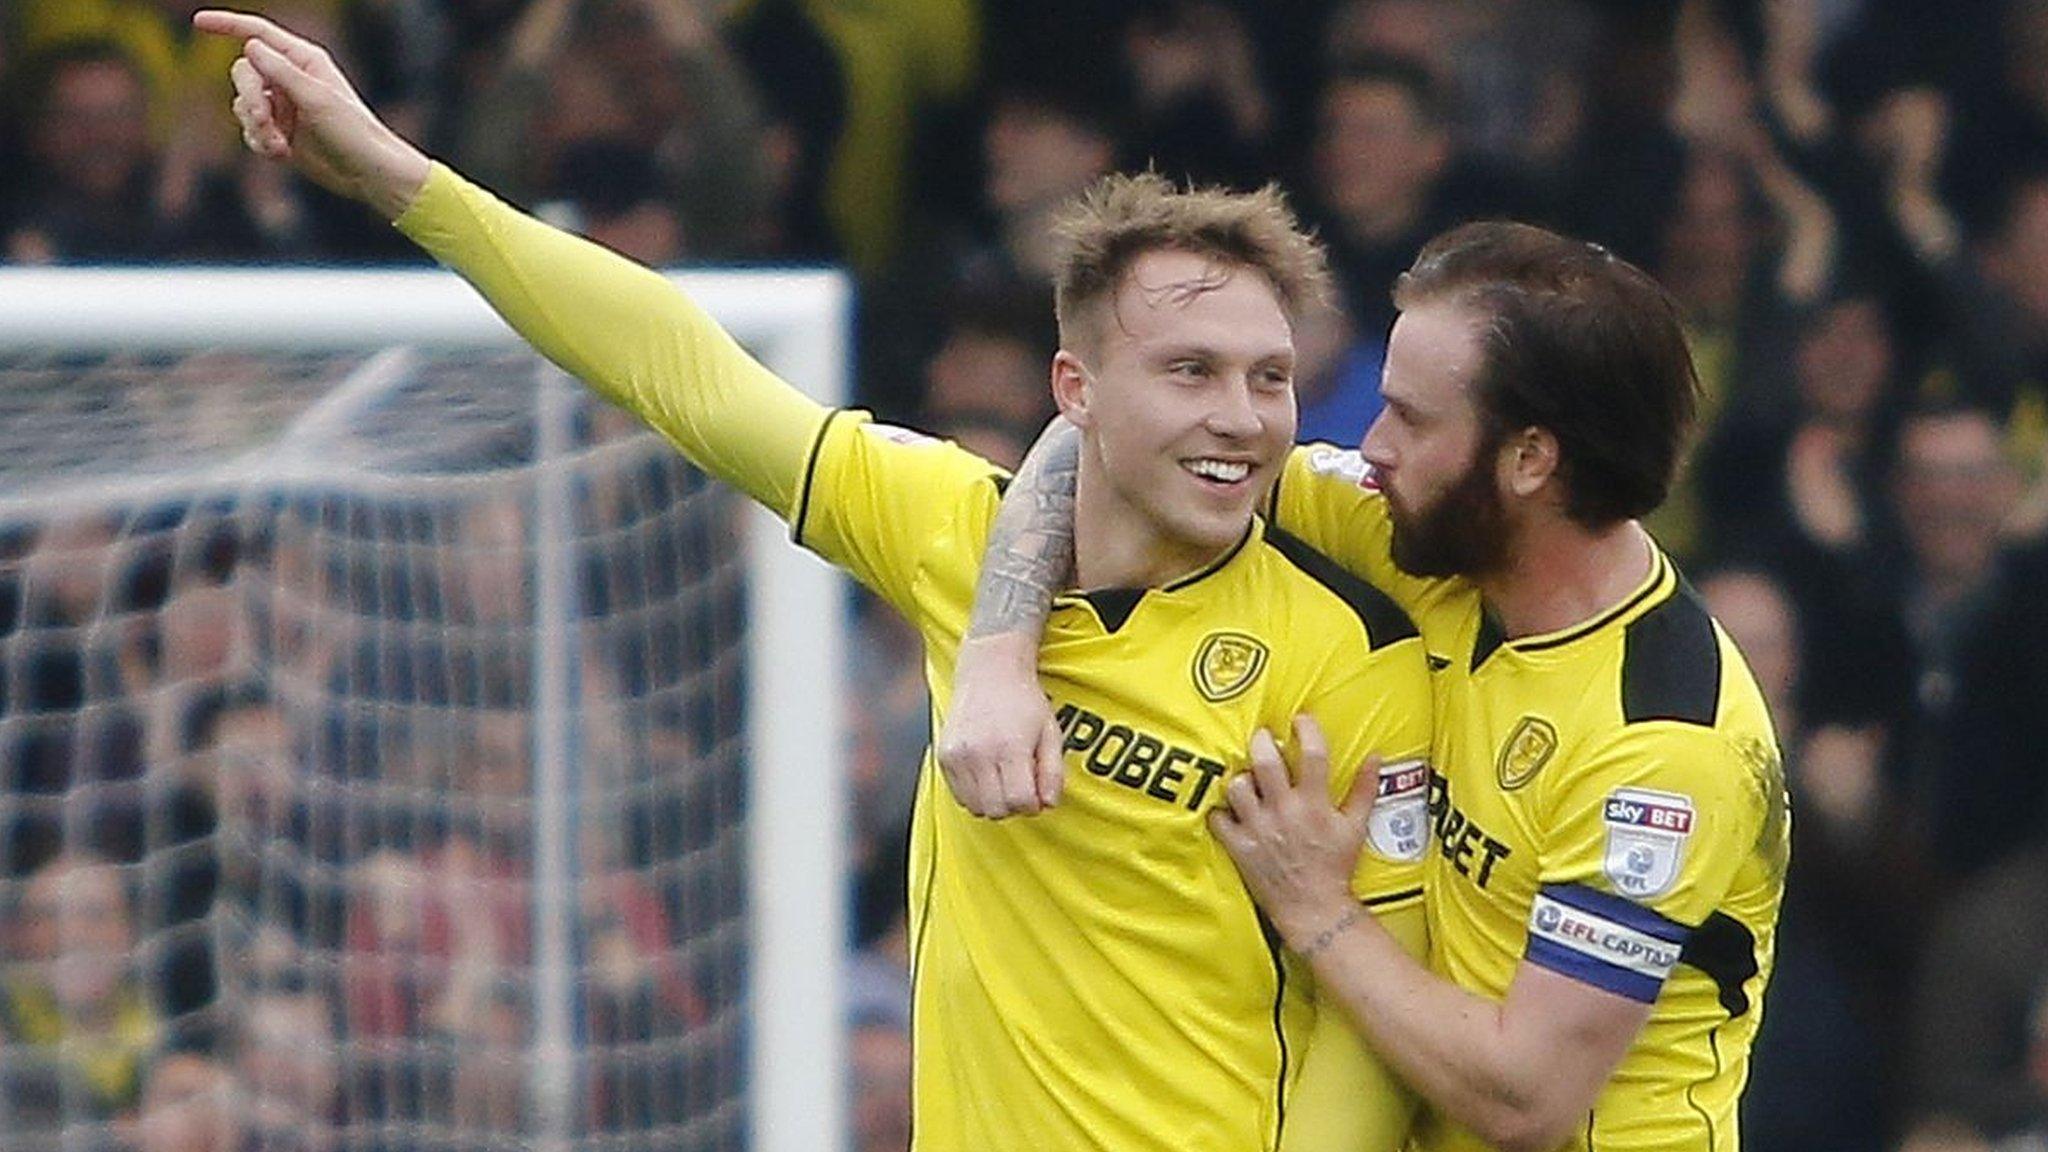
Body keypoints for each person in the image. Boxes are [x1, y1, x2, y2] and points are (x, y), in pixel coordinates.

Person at [190, 12, 1438, 1149]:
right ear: (1075, 392)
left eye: (1266, 377)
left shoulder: (1343, 654)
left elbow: (1367, 1028)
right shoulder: (951, 527)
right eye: (1189, 371)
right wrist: (400, 179)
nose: (1240, 418)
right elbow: (673, 361)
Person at [939, 222, 1789, 1151]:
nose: (1372, 445)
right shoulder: (1429, 540)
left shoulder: (1661, 745)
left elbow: (1526, 1098)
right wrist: (998, 658)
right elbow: (1098, 442)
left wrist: (1318, 908)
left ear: (1529, 460)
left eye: (1414, 420)